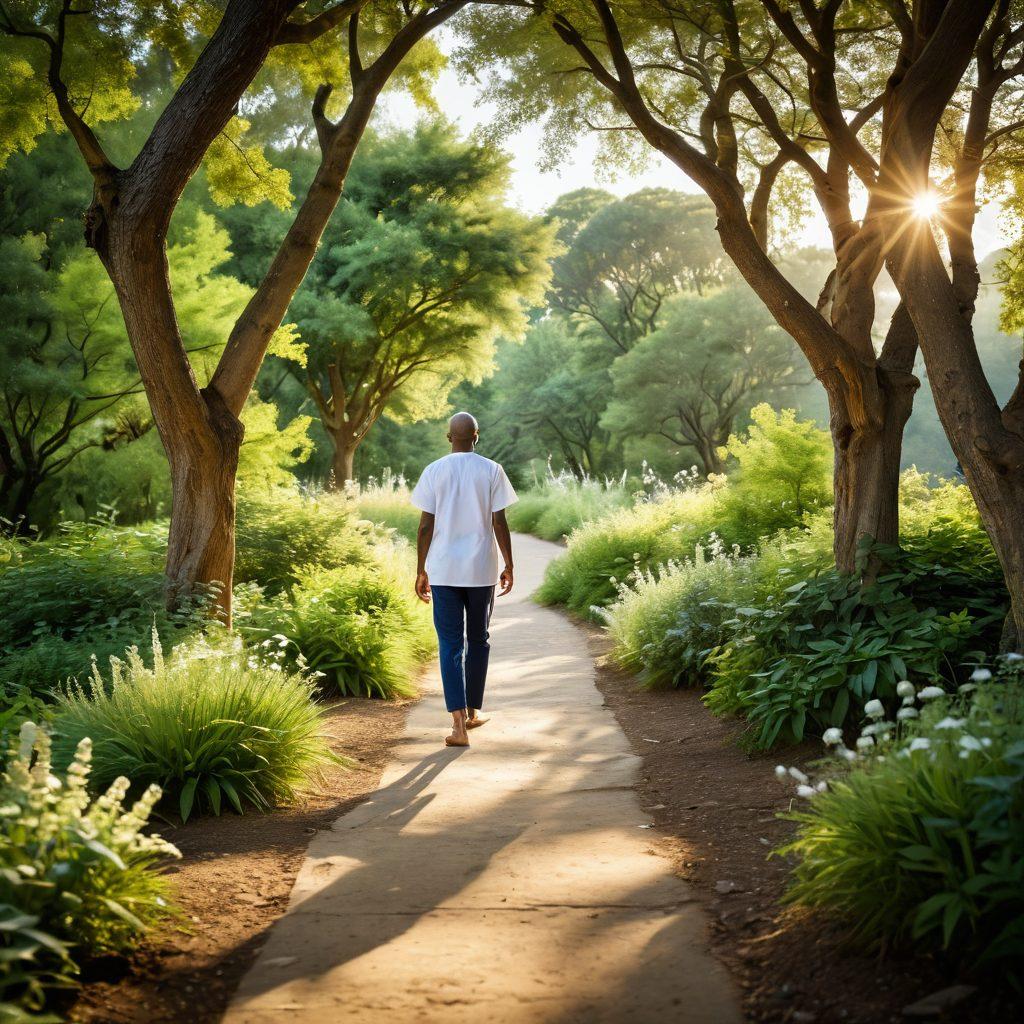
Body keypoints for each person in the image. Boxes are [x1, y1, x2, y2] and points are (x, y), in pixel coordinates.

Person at [411, 412, 517, 747]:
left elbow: (425, 526)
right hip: (480, 570)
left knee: (451, 645)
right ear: (477, 435)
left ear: (449, 438)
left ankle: (458, 727)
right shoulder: (491, 470)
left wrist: (421, 569)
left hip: (443, 571)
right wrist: (509, 564)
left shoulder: (434, 470)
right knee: (478, 640)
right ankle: (473, 712)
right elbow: (499, 521)